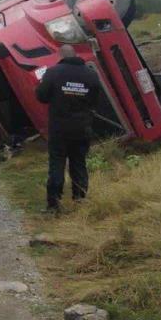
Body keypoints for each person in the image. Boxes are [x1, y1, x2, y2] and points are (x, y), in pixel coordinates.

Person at [36, 45, 99, 212]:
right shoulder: (90, 74)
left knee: (57, 164)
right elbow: (96, 100)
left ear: (60, 56)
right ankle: (80, 200)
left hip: (59, 128)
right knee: (79, 163)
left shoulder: (53, 72)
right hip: (82, 127)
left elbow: (41, 96)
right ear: (76, 55)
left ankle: (54, 204)